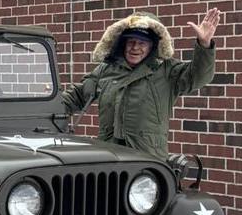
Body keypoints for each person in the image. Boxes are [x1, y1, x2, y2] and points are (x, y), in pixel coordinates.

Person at [63, 9, 221, 160]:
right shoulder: (106, 69)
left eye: (142, 43)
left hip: (147, 160)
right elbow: (76, 95)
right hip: (109, 156)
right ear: (122, 43)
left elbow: (198, 77)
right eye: (130, 41)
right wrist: (45, 107)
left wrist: (204, 45)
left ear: (152, 46)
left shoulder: (167, 70)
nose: (135, 47)